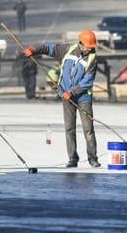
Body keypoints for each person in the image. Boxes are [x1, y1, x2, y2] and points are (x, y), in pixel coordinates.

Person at [25, 30, 100, 167]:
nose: (91, 48)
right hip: (66, 96)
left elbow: (87, 81)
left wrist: (72, 92)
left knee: (88, 129)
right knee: (69, 128)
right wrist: (33, 50)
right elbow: (48, 48)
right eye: (89, 46)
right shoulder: (68, 49)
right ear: (81, 44)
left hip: (83, 97)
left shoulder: (92, 58)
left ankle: (93, 158)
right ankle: (72, 158)